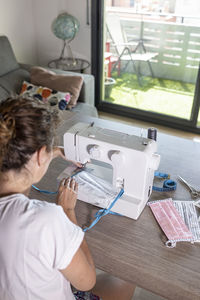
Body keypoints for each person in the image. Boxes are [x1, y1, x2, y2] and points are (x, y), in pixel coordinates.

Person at [0, 97, 135, 300]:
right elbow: (87, 282)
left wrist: (51, 152)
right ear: (38, 156)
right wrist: (67, 212)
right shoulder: (45, 220)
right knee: (125, 281)